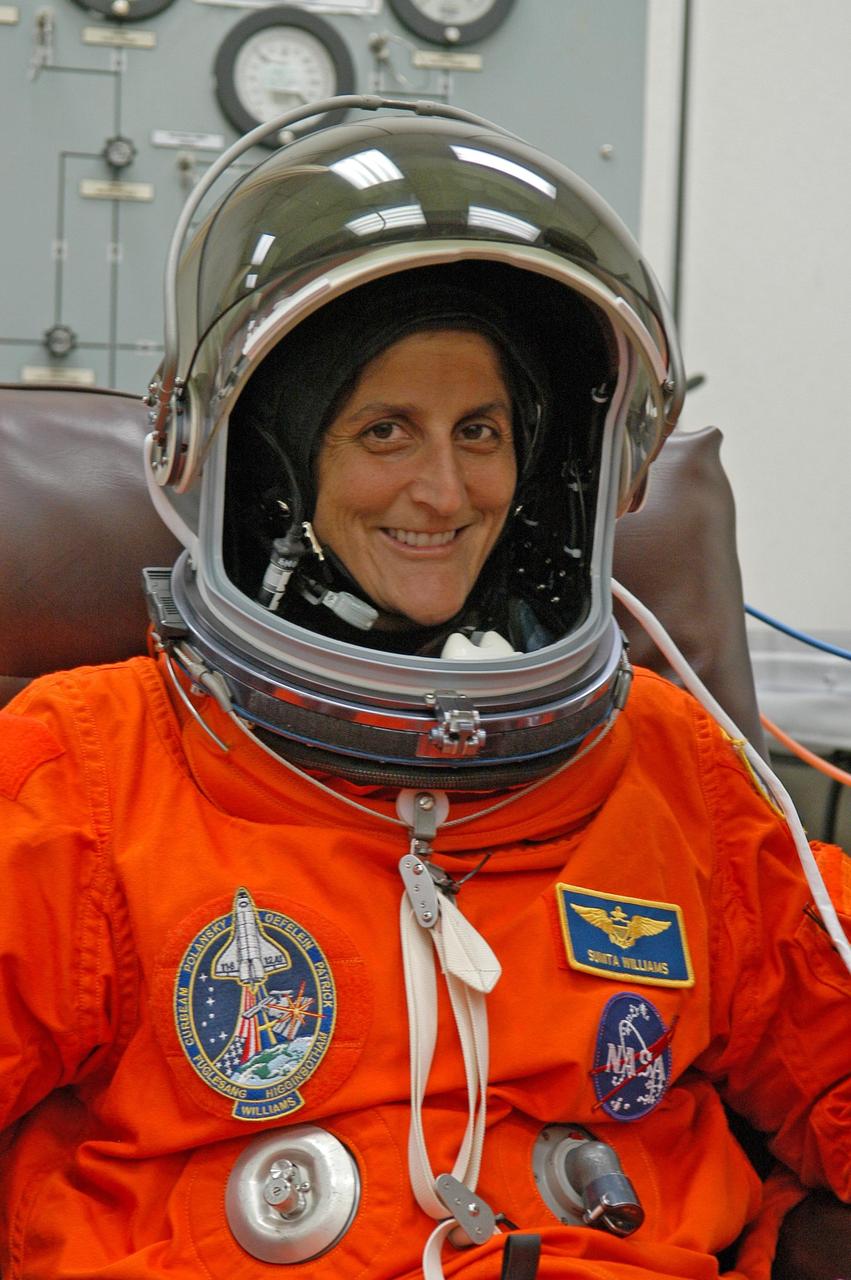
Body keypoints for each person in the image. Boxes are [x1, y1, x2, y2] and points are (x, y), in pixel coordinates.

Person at [1, 103, 849, 1280]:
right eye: (384, 431)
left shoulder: (674, 770)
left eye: (480, 431)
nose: (445, 491)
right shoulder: (91, 770)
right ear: (276, 460)